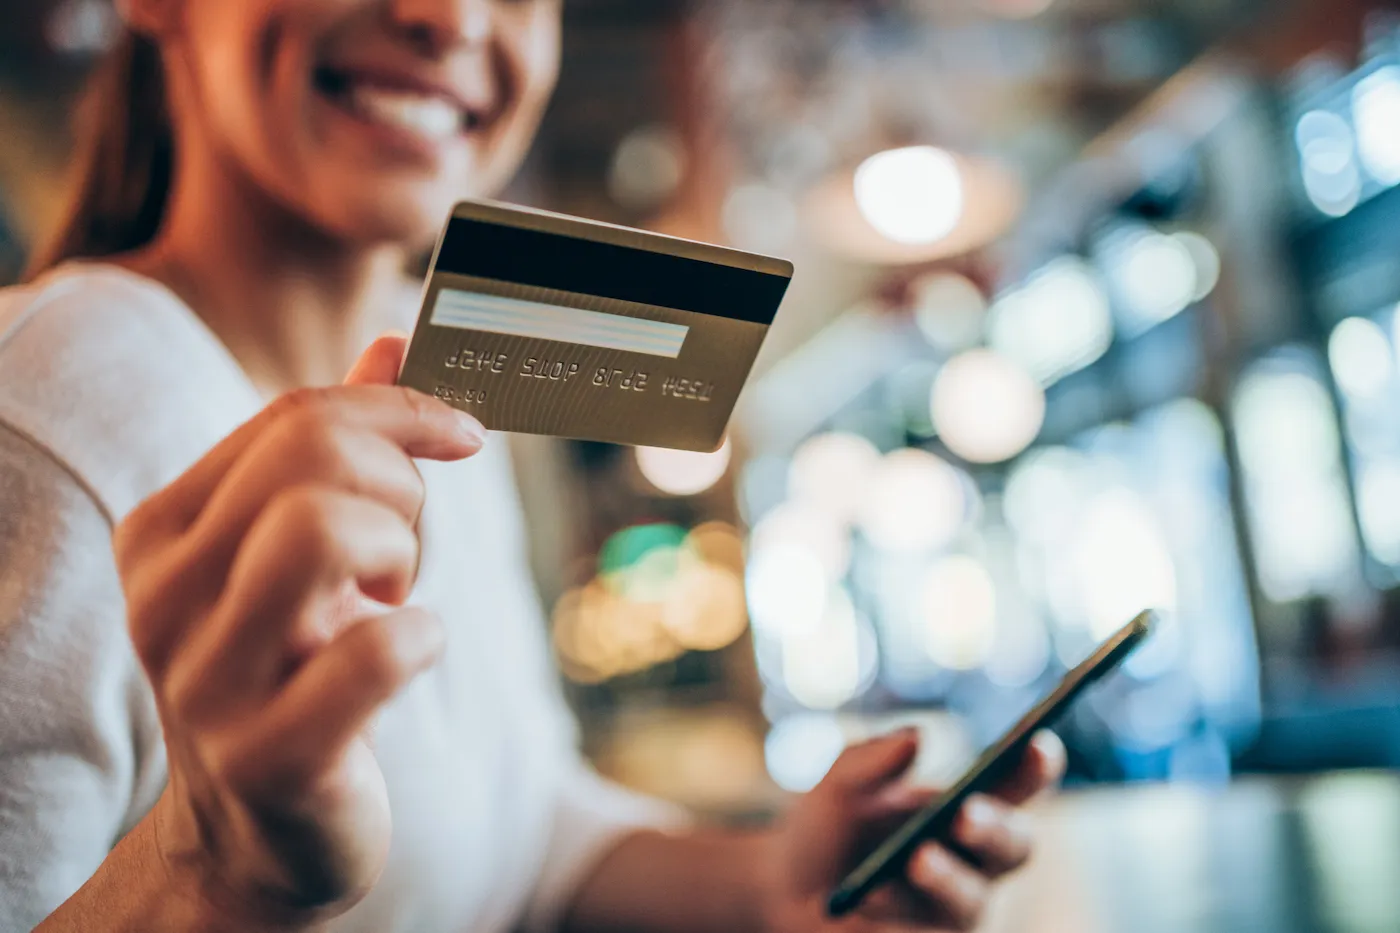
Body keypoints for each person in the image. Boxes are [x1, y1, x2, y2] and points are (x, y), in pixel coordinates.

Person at [0, 1, 1066, 931]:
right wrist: (214, 877)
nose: (453, 16)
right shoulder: (45, 407)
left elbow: (526, 831)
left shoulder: (438, 372)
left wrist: (771, 881)